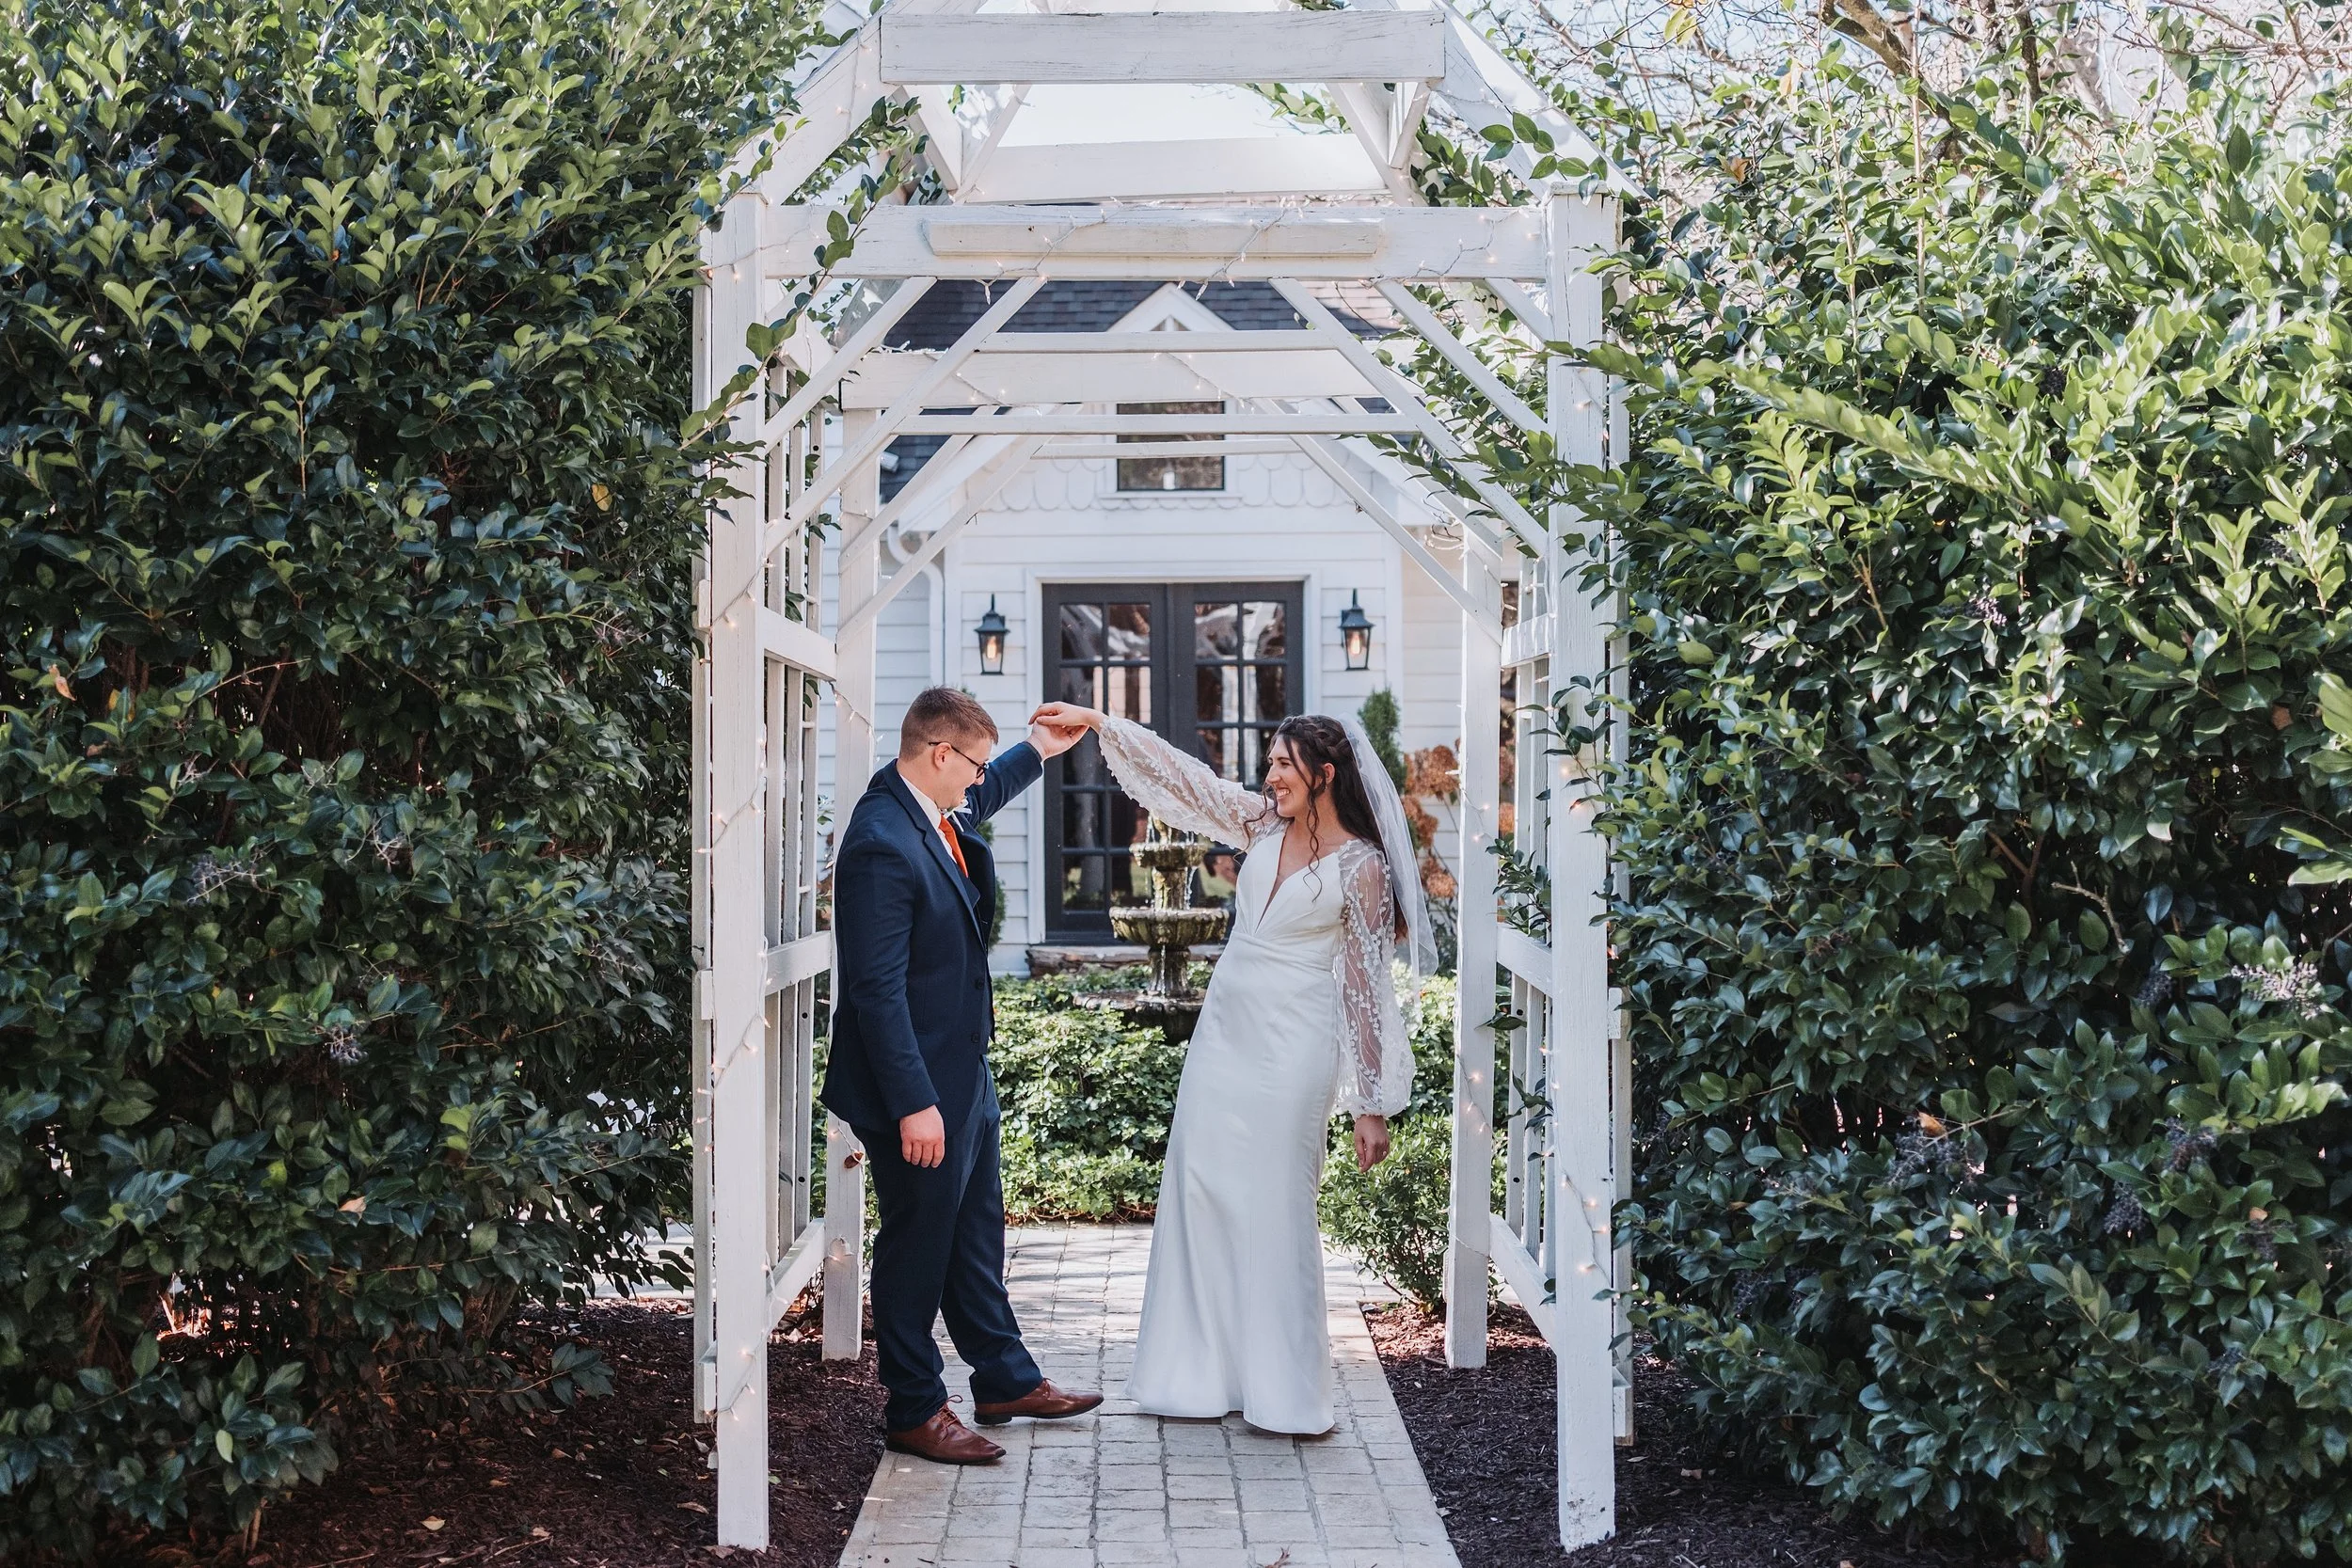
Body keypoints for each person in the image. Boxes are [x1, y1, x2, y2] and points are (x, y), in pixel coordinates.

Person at [1027, 702, 1434, 1434]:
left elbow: (1365, 988)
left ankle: (1285, 1391)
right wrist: (1102, 725)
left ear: (1325, 775)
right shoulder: (1258, 825)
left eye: (1285, 764)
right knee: (1199, 1187)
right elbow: (1184, 778)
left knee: (1275, 1204)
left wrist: (1368, 1102)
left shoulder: (1363, 867)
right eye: (1272, 762)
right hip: (1225, 1035)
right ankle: (1196, 1375)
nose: (1270, 774)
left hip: (1296, 1046)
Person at [822, 687, 1103, 1465]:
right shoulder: (881, 841)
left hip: (963, 1072)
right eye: (973, 764)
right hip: (914, 1089)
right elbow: (874, 990)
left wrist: (1038, 751)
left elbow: (984, 797)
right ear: (940, 754)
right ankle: (914, 1408)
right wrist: (915, 1103)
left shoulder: (931, 808)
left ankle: (1004, 1376)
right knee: (918, 1246)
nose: (980, 780)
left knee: (976, 1235)